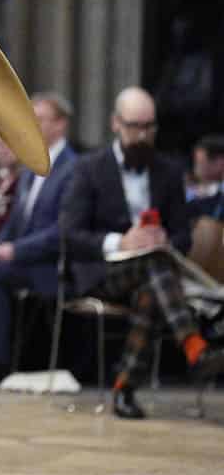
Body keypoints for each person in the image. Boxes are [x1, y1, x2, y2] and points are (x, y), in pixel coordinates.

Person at [60, 87, 224, 418]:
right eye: (136, 126)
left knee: (152, 286)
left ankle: (124, 388)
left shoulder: (167, 170)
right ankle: (193, 343)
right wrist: (120, 242)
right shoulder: (89, 168)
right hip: (103, 269)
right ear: (116, 124)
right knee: (156, 267)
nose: (143, 134)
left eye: (150, 127)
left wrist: (165, 239)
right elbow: (70, 233)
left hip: (154, 271)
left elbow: (182, 236)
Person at [0, 92, 78, 384]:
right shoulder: (31, 164)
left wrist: (14, 250)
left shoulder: (73, 168)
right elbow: (17, 220)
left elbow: (64, 228)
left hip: (50, 263)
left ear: (60, 125)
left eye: (40, 119)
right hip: (23, 259)